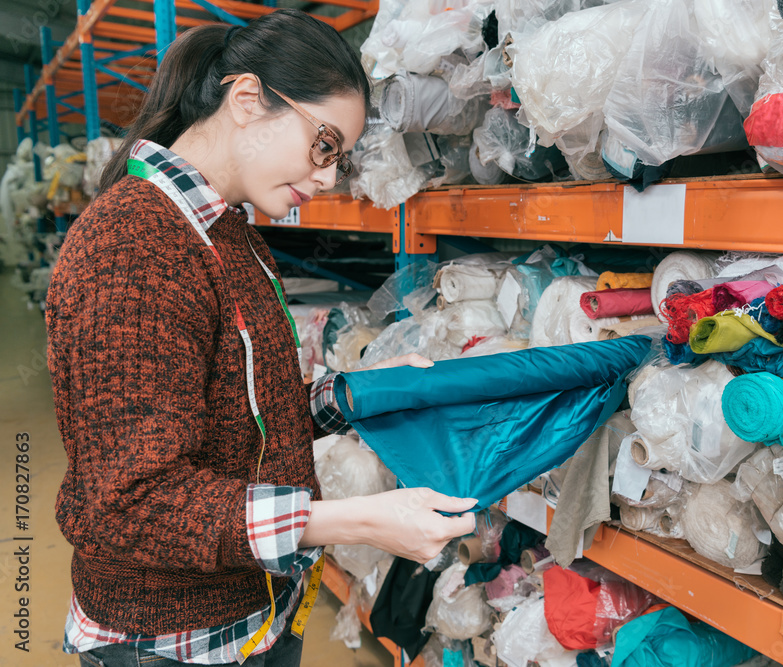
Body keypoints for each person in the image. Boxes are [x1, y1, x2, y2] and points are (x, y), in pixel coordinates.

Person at [46, 10, 476, 667]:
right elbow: (131, 500)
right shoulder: (133, 243)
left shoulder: (230, 234)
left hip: (253, 618)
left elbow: (234, 417)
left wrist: (359, 395)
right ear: (246, 100)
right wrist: (357, 520)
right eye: (324, 144)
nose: (330, 176)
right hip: (170, 645)